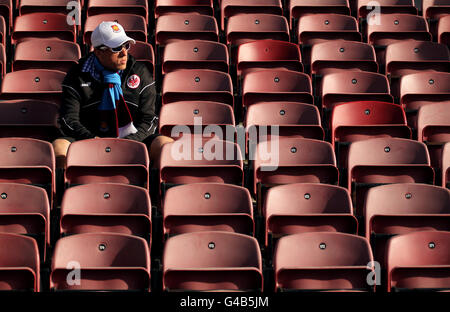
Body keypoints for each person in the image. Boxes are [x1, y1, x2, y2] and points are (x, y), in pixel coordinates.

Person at [53, 21, 173, 168]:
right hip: (88, 139)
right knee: (59, 148)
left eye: (126, 45)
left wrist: (130, 142)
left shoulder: (140, 72)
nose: (124, 52)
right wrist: (92, 140)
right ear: (98, 51)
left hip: (133, 140)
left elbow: (149, 119)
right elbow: (69, 120)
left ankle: (151, 187)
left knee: (166, 146)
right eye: (116, 48)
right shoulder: (76, 75)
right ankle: (69, 187)